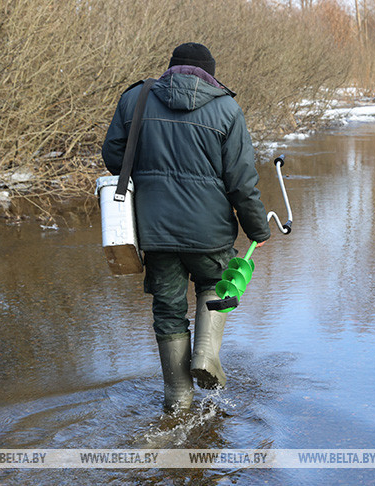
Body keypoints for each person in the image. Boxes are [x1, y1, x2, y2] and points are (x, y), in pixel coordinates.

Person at [101, 42, 271, 413]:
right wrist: (258, 228)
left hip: (154, 230)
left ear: (171, 68)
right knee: (215, 283)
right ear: (211, 73)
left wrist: (150, 169)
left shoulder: (135, 99)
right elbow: (241, 182)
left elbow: (114, 156)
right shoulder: (227, 109)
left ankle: (178, 398)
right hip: (208, 232)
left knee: (167, 309)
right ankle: (205, 357)